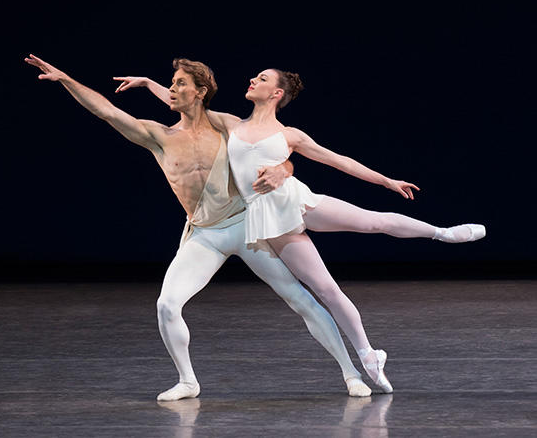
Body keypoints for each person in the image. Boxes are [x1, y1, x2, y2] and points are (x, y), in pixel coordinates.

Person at [116, 67, 486, 393]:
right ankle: (369, 355)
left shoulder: (290, 134)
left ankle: (443, 233)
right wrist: (149, 83)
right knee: (325, 288)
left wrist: (386, 180)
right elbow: (185, 102)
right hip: (268, 221)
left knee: (374, 220)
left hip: (299, 201)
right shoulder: (230, 123)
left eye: (261, 79)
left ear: (276, 94)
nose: (252, 80)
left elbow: (338, 160)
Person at [24, 54, 373, 400]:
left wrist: (285, 170)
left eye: (180, 84)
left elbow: (277, 150)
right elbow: (106, 111)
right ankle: (188, 381)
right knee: (167, 304)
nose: (172, 90)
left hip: (245, 225)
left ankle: (351, 373)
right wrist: (67, 79)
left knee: (300, 298)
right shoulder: (157, 135)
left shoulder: (228, 127)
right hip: (204, 233)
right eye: (171, 84)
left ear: (200, 91)